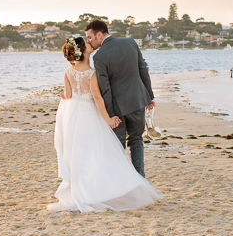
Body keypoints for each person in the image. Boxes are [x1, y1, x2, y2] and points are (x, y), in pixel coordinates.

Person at [47, 36, 163, 213]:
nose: (89, 42)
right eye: (86, 43)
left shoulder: (68, 72)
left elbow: (68, 95)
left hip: (72, 116)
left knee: (79, 154)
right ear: (83, 51)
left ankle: (80, 189)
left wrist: (62, 95)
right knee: (97, 151)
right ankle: (106, 188)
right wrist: (108, 119)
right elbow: (98, 98)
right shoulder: (91, 73)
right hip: (89, 115)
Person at [85, 19, 154, 177]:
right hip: (137, 101)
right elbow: (143, 69)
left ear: (99, 34)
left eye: (90, 37)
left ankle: (121, 183)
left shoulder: (100, 56)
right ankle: (140, 180)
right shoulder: (130, 42)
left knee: (118, 146)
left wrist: (109, 115)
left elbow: (105, 87)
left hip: (118, 108)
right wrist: (149, 96)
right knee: (137, 141)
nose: (88, 41)